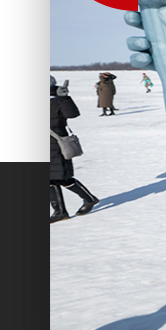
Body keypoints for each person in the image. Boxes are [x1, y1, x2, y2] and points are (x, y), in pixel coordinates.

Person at [49, 76, 99, 222]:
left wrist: (65, 98)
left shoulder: (58, 100)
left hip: (57, 143)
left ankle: (89, 199)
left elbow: (72, 114)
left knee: (63, 177)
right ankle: (60, 212)